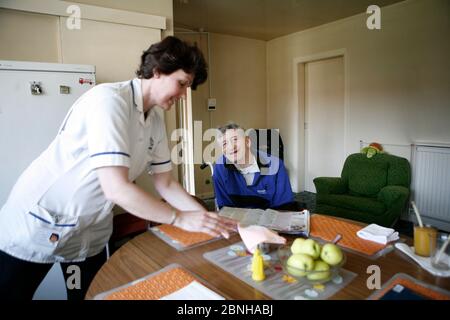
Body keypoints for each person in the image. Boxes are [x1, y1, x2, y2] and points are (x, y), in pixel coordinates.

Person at [0, 36, 236, 300]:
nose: (183, 96)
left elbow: (165, 183)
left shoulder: (155, 120)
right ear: (157, 71)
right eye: (181, 84)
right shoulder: (109, 101)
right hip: (39, 223)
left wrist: (210, 221)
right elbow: (116, 189)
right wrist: (179, 218)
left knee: (88, 295)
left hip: (89, 231)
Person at [212, 123, 297, 210]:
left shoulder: (276, 165)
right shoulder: (220, 168)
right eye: (224, 144)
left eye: (235, 139)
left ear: (247, 142)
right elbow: (225, 208)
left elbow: (284, 206)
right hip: (237, 221)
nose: (231, 147)